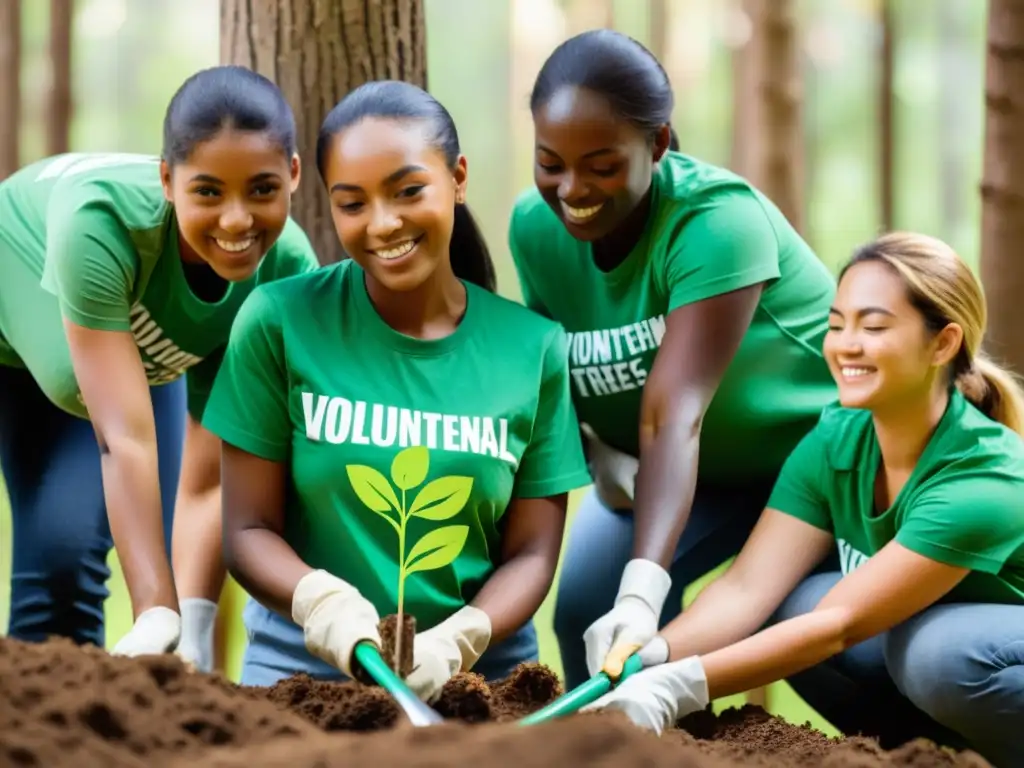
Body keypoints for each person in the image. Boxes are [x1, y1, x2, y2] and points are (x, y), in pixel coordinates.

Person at [199, 80, 592, 699]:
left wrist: (459, 640)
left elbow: (532, 554)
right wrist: (324, 605)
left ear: (457, 178)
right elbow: (246, 531)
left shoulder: (533, 347)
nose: (382, 225)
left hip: (476, 686)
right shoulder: (278, 320)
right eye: (352, 203)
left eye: (409, 192)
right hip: (302, 683)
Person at [585, 232, 1024, 768]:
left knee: (934, 655)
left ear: (943, 343)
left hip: (990, 645)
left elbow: (839, 624)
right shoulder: (836, 440)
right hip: (949, 651)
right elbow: (746, 589)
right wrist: (652, 656)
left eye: (875, 326)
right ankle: (926, 758)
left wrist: (677, 688)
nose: (846, 345)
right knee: (793, 604)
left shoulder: (984, 475)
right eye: (837, 324)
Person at [508, 28, 839, 689]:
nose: (571, 188)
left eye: (601, 165)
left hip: (808, 467)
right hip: (673, 475)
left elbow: (673, 414)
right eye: (551, 163)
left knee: (806, 643)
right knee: (582, 613)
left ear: (656, 143)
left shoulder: (716, 222)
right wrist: (595, 456)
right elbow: (551, 379)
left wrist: (641, 592)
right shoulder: (536, 230)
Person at [0, 65, 320, 662]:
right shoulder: (98, 227)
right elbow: (125, 437)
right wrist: (155, 609)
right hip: (18, 310)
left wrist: (191, 633)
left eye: (261, 189)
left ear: (293, 175)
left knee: (83, 565)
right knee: (62, 558)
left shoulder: (284, 272)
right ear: (167, 181)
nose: (235, 221)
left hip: (133, 357)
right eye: (208, 191)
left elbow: (213, 471)